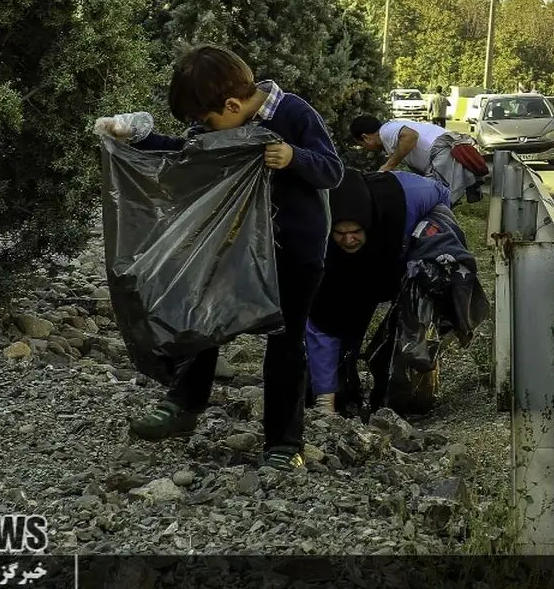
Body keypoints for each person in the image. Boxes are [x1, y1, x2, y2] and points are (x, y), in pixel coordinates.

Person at [92, 44, 343, 472]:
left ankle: (284, 442)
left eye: (204, 121)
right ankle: (184, 405)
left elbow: (332, 170)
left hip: (294, 252)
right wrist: (135, 136)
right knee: (202, 316)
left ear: (231, 105)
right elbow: (184, 154)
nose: (201, 129)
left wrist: (293, 157)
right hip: (233, 247)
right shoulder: (221, 125)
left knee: (286, 342)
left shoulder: (294, 114)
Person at [305, 168, 451, 417]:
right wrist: (324, 404)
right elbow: (322, 326)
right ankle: (330, 394)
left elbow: (444, 196)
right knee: (331, 322)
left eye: (355, 232)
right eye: (341, 233)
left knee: (404, 325)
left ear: (368, 225)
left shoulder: (412, 196)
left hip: (392, 250)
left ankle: (399, 393)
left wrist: (425, 244)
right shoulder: (316, 232)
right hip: (340, 266)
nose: (349, 239)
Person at [349, 115, 487, 205]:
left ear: (366, 137)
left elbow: (411, 136)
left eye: (362, 144)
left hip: (443, 153)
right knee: (438, 202)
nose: (366, 148)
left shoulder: (386, 132)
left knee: (435, 203)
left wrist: (389, 165)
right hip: (445, 153)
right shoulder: (391, 128)